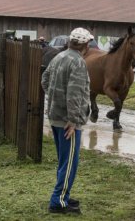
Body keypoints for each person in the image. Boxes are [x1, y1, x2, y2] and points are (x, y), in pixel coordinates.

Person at [41, 27, 93, 215]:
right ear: (86, 45)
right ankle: (58, 202)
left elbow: (44, 80)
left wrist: (55, 98)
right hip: (67, 122)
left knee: (65, 161)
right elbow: (74, 93)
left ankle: (63, 195)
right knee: (70, 162)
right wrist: (72, 120)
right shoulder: (78, 62)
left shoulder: (59, 57)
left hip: (55, 117)